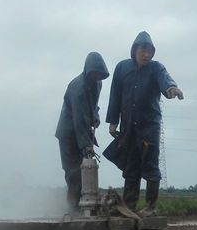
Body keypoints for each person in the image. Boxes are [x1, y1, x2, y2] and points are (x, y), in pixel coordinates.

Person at [105, 31, 183, 217]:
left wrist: (171, 88)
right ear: (135, 50)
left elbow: (166, 79)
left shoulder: (156, 68)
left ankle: (150, 207)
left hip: (149, 127)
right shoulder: (122, 68)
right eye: (143, 50)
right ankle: (129, 206)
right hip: (129, 127)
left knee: (150, 166)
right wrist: (113, 121)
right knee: (131, 166)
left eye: (150, 51)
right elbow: (115, 95)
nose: (146, 55)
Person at [55, 52, 109, 212]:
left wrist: (96, 115)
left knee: (85, 171)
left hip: (82, 131)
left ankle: (85, 208)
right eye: (94, 73)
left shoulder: (98, 83)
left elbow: (93, 106)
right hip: (68, 135)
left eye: (100, 74)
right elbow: (79, 119)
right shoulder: (78, 88)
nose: (97, 76)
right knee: (74, 174)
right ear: (88, 70)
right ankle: (72, 210)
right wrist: (87, 146)